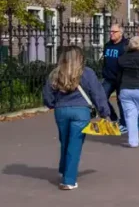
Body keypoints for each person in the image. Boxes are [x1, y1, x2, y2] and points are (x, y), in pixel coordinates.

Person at [42, 46, 110, 190]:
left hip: (61, 110)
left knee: (64, 141)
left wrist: (52, 104)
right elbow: (98, 93)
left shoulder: (56, 73)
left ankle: (64, 169)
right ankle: (69, 180)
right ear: (80, 57)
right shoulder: (87, 72)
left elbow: (47, 93)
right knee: (75, 145)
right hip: (81, 111)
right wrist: (104, 112)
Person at [100, 24, 128, 134]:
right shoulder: (107, 45)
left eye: (114, 32)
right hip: (109, 78)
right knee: (101, 97)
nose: (111, 33)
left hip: (121, 79)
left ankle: (124, 124)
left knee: (121, 101)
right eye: (110, 31)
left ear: (120, 33)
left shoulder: (125, 46)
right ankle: (114, 118)